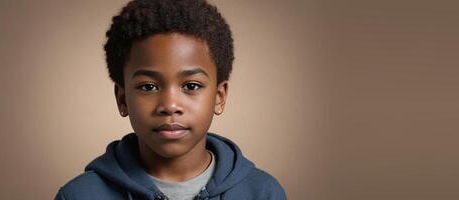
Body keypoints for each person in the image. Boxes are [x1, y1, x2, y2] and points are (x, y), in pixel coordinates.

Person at [54, 0, 286, 199]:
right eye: (148, 86)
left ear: (219, 97)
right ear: (123, 99)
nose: (170, 105)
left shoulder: (263, 192)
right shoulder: (80, 195)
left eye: (191, 86)